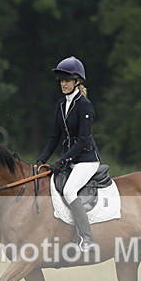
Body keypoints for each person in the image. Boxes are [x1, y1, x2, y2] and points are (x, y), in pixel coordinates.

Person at [36, 56, 101, 253]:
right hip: (70, 160)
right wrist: (41, 161)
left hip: (86, 160)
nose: (63, 84)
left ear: (77, 81)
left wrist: (61, 161)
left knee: (70, 191)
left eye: (67, 80)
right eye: (61, 80)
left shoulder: (85, 105)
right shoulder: (61, 105)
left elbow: (83, 141)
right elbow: (54, 137)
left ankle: (87, 238)